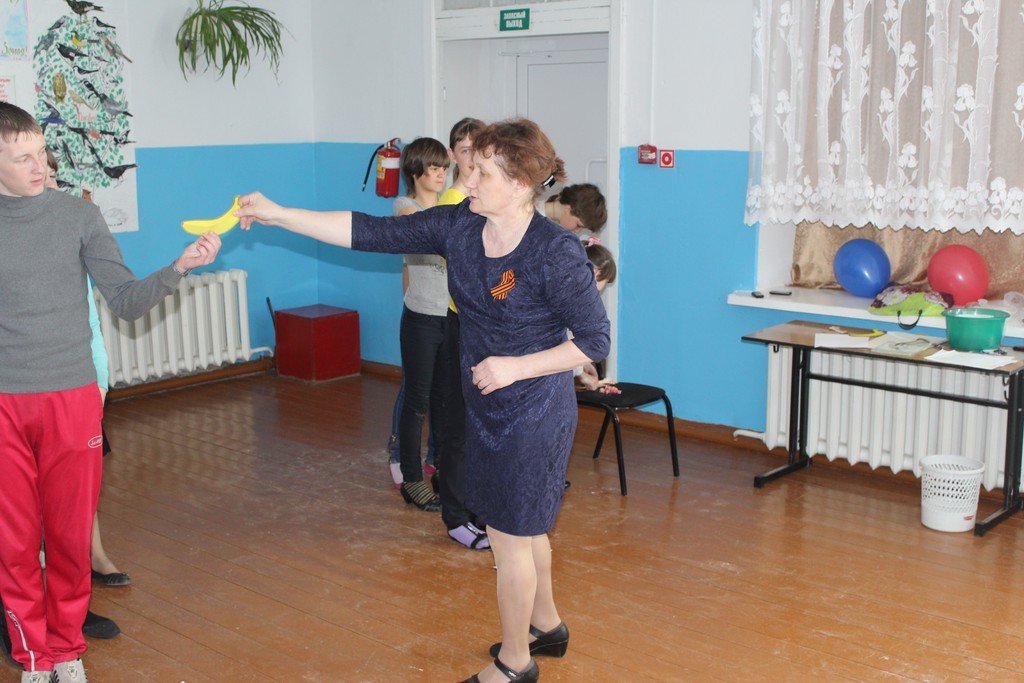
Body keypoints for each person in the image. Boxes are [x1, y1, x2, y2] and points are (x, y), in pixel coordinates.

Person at [237, 117, 610, 683]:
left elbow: (595, 341)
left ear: (519, 184)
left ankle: (515, 663)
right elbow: (368, 231)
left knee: (510, 536)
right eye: (468, 167)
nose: (467, 179)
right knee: (525, 527)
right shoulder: (459, 225)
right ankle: (547, 625)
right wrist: (280, 213)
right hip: (485, 401)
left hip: (534, 410)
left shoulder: (554, 251)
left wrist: (515, 366)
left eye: (481, 173)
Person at [0, 102, 221, 683]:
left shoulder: (78, 216)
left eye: (41, 153)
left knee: (70, 538)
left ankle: (67, 651)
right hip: (5, 403)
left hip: (71, 398)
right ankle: (33, 659)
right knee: (15, 544)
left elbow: (124, 300)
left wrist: (179, 267)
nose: (40, 167)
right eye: (23, 158)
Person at [43, 149, 126, 641]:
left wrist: (99, 380)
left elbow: (92, 319)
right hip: (22, 393)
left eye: (53, 173)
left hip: (75, 388)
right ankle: (23, 617)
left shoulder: (71, 224)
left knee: (74, 497)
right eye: (32, 166)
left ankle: (74, 600)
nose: (46, 180)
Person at [385, 137, 450, 512]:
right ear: (415, 172)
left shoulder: (451, 205)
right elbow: (425, 232)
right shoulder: (405, 207)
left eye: (444, 168)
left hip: (450, 317)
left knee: (445, 399)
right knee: (416, 400)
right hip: (421, 318)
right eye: (434, 168)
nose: (441, 175)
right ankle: (411, 479)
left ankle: (439, 469)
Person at [436, 117, 490, 550]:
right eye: (466, 149)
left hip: (484, 328)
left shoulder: (486, 197)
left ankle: (477, 507)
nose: (472, 158)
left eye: (479, 149)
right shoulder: (455, 201)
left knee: (481, 423)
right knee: (456, 424)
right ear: (454, 155)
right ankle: (455, 516)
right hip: (458, 323)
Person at [575, 242, 617, 392]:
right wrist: (580, 374)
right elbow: (557, 345)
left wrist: (583, 364)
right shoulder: (570, 303)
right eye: (603, 281)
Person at [540, 183, 607, 237]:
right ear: (569, 209)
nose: (577, 231)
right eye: (578, 225)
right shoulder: (537, 221)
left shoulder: (549, 226)